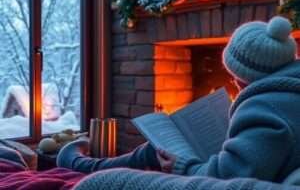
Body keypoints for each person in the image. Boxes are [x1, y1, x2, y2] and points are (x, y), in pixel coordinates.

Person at [57, 16, 300, 183]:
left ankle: (84, 168)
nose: (234, 82)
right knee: (158, 149)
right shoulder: (286, 95)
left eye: (235, 77)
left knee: (159, 150)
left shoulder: (265, 110)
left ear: (248, 76)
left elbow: (226, 180)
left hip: (211, 174)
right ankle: (86, 165)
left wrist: (182, 166)